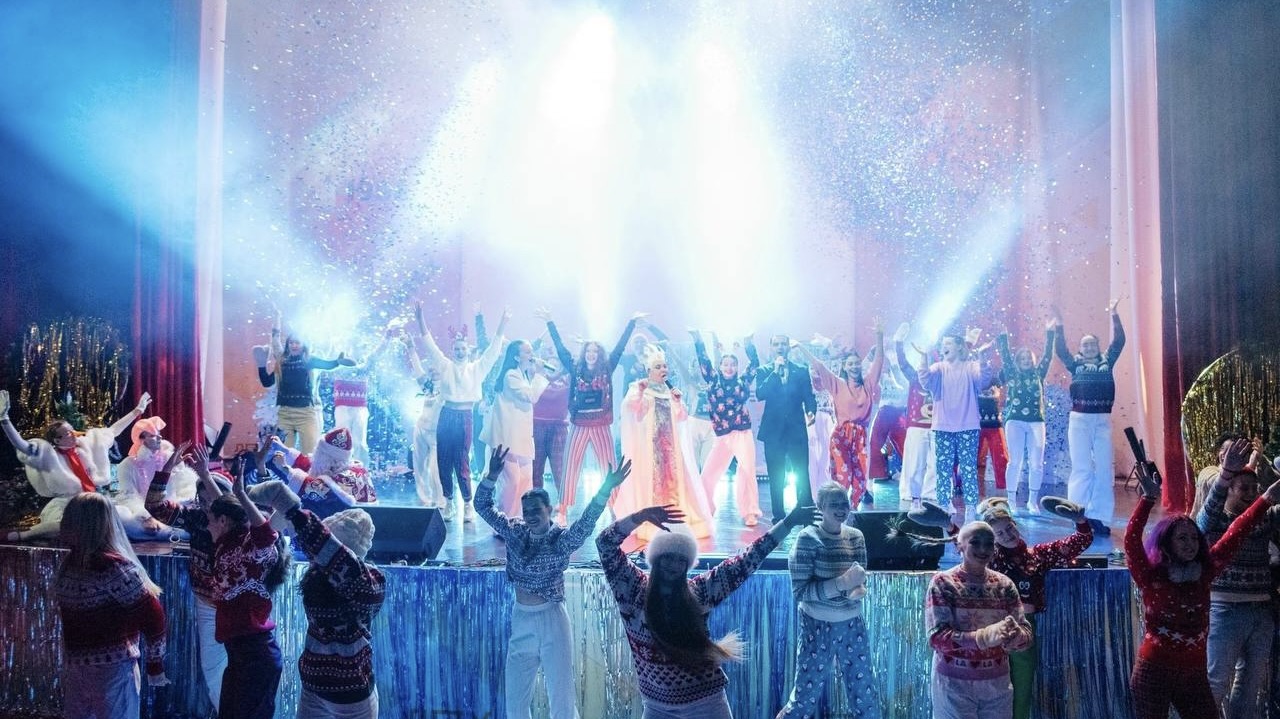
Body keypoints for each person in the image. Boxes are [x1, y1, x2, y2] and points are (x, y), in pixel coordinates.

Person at [597, 500, 816, 718]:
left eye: (681, 560)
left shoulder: (700, 591)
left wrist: (788, 523)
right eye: (668, 557)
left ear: (687, 565)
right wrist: (639, 517)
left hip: (705, 703)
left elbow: (747, 560)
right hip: (657, 707)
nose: (674, 564)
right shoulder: (631, 588)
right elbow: (604, 544)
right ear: (656, 558)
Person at [1126, 439, 1280, 719]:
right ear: (1167, 544)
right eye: (1182, 538)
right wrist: (1147, 501)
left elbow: (1237, 531)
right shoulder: (1151, 577)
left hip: (1192, 675)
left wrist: (1267, 499)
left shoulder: (1204, 573)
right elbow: (1132, 541)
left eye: (1193, 538)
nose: (1190, 544)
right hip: (1154, 672)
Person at [475, 447, 632, 719]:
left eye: (537, 510)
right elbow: (482, 507)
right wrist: (491, 476)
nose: (530, 515)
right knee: (515, 703)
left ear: (549, 510)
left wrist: (605, 490)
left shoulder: (560, 540)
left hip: (552, 620)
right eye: (527, 511)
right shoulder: (515, 532)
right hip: (522, 618)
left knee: (562, 701)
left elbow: (584, 525)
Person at [248, 477, 386, 719]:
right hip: (314, 686)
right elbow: (296, 544)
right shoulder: (318, 573)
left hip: (351, 694)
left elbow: (330, 553)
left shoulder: (369, 582)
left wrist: (291, 508)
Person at [978, 496, 1092, 719]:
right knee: (992, 691)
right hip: (992, 629)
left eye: (1009, 528)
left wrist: (1080, 521)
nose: (1007, 535)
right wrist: (949, 527)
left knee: (1021, 691)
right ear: (992, 538)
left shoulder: (1037, 555)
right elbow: (965, 545)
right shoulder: (989, 559)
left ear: (1015, 524)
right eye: (999, 533)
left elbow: (1079, 542)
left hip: (1024, 630)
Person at [777, 482, 879, 719]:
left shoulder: (856, 537)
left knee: (865, 697)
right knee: (803, 698)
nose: (841, 509)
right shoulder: (807, 538)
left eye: (845, 503)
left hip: (853, 625)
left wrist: (854, 589)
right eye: (834, 504)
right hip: (817, 626)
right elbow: (801, 592)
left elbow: (859, 576)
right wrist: (841, 584)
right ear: (820, 506)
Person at [1195, 437, 1280, 719]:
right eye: (1244, 488)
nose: (1250, 494)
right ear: (1229, 490)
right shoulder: (1217, 519)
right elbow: (1203, 521)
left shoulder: (1265, 516)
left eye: (1254, 489)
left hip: (1261, 610)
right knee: (1215, 681)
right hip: (1226, 609)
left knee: (1250, 685)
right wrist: (1225, 474)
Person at [0, 389, 152, 541]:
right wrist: (5, 420)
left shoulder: (87, 446)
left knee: (123, 519)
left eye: (72, 430)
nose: (74, 433)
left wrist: (137, 411)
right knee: (68, 524)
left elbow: (113, 430)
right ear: (57, 440)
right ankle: (23, 535)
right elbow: (23, 446)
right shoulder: (50, 456)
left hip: (93, 500)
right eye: (67, 433)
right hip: (67, 502)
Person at [145, 442, 229, 710]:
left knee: (241, 669)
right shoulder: (196, 519)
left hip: (239, 606)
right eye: (201, 501)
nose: (206, 507)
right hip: (207, 605)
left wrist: (205, 475)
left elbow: (231, 512)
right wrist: (168, 467)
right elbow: (154, 506)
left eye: (211, 501)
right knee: (213, 670)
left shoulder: (239, 524)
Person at [536, 308, 641, 521]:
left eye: (595, 351)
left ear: (599, 355)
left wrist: (632, 323)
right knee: (570, 467)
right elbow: (562, 350)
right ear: (584, 354)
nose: (591, 354)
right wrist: (550, 322)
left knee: (608, 468)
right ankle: (563, 511)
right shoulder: (575, 369)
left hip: (601, 425)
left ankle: (615, 509)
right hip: (579, 425)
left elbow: (620, 347)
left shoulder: (606, 368)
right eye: (588, 351)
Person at [207, 453, 290, 719]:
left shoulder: (251, 549)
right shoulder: (227, 543)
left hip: (256, 655)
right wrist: (205, 475)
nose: (207, 526)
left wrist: (242, 495)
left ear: (222, 522)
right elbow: (223, 507)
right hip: (240, 654)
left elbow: (265, 534)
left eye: (210, 521)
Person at [925, 521, 1033, 719]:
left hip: (997, 684)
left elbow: (1025, 633)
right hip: (954, 684)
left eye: (989, 543)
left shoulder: (1004, 584)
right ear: (959, 545)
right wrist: (984, 637)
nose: (983, 549)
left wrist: (1016, 636)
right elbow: (937, 637)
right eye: (975, 542)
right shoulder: (943, 583)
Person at [415, 302, 508, 522]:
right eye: (456, 349)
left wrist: (503, 323)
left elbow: (493, 350)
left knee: (462, 461)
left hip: (465, 416)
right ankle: (448, 501)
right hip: (446, 415)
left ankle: (467, 503)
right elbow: (429, 345)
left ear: (468, 350)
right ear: (452, 350)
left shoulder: (477, 368)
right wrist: (420, 320)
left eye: (463, 349)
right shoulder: (445, 365)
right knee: (443, 460)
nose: (459, 352)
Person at [611, 344, 712, 542]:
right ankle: (653, 521)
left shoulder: (670, 391)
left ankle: (675, 520)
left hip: (670, 449)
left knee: (674, 483)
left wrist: (678, 401)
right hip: (651, 449)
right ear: (648, 370)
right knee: (654, 484)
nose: (663, 369)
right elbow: (634, 412)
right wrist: (640, 393)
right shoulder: (640, 388)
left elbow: (681, 417)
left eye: (664, 366)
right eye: (658, 367)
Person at [1051, 302, 1125, 536]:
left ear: (1098, 347)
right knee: (1081, 468)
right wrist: (1059, 325)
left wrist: (1114, 314)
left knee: (1103, 469)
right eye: (1086, 344)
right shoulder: (1075, 364)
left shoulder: (1107, 361)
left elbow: (1119, 341)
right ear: (1081, 349)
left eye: (1093, 343)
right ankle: (1078, 516)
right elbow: (1060, 350)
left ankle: (1098, 517)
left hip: (1102, 421)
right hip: (1080, 420)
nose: (1090, 347)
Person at [797, 326, 885, 508]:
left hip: (860, 436)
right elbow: (819, 366)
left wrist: (879, 336)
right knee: (841, 477)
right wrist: (800, 347)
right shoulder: (837, 384)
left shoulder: (868, 384)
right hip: (841, 435)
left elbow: (878, 361)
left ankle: (852, 509)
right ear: (844, 366)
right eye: (850, 364)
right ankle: (838, 509)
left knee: (860, 479)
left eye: (857, 363)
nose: (854, 366)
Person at [918, 329, 994, 526]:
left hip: (968, 426)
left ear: (960, 347)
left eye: (948, 343)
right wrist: (924, 357)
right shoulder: (938, 367)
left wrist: (982, 358)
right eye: (943, 344)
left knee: (968, 469)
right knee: (943, 469)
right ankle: (944, 505)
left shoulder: (971, 366)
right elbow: (925, 381)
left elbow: (984, 380)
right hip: (943, 426)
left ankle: (971, 507)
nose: (944, 347)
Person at [692, 330, 763, 526]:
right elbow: (704, 361)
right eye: (725, 364)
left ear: (737, 367)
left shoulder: (743, 381)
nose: (729, 367)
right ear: (720, 366)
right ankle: (706, 508)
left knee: (747, 470)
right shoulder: (713, 381)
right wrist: (698, 339)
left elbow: (755, 363)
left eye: (733, 364)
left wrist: (748, 343)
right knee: (708, 473)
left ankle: (750, 512)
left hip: (742, 432)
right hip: (722, 436)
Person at [256, 312, 356, 452]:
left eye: (297, 342)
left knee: (309, 452)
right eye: (291, 343)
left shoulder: (310, 360)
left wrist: (338, 361)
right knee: (283, 453)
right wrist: (261, 364)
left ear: (303, 345)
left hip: (306, 414)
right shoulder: (282, 361)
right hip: (284, 414)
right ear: (287, 345)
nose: (294, 345)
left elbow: (328, 365)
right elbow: (267, 380)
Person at [480, 340, 551, 516]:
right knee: (512, 482)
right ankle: (505, 519)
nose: (532, 355)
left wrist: (536, 375)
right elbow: (531, 396)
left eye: (531, 351)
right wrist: (539, 374)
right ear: (516, 357)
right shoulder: (511, 375)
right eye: (527, 352)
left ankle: (520, 518)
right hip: (507, 439)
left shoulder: (523, 375)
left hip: (521, 438)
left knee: (526, 481)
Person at [757, 335, 818, 524]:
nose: (780, 347)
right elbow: (760, 393)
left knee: (801, 472)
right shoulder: (764, 371)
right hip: (773, 432)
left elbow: (809, 396)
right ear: (771, 347)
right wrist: (775, 373)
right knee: (776, 474)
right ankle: (778, 516)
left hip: (796, 429)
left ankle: (805, 512)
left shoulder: (801, 370)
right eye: (776, 344)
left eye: (783, 344)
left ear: (789, 347)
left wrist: (811, 411)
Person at [995, 328, 1054, 513]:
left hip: (1036, 421)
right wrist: (1003, 336)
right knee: (1015, 462)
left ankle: (1032, 501)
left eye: (1029, 358)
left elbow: (1048, 356)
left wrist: (1050, 333)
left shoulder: (1039, 373)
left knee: (1036, 463)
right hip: (1015, 421)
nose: (1026, 361)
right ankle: (1011, 500)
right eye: (1022, 359)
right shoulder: (1011, 372)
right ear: (1017, 361)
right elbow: (1005, 355)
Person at [893, 324, 938, 510]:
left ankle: (931, 493)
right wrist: (898, 342)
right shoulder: (914, 376)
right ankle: (911, 493)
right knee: (914, 461)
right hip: (916, 425)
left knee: (936, 463)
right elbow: (903, 363)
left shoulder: (940, 378)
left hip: (938, 425)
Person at [530, 341, 571, 494]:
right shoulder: (537, 378)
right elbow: (528, 357)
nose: (552, 366)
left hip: (559, 428)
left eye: (556, 364)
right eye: (549, 364)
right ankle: (536, 502)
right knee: (535, 470)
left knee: (560, 470)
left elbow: (575, 365)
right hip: (536, 427)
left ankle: (563, 504)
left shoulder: (567, 379)